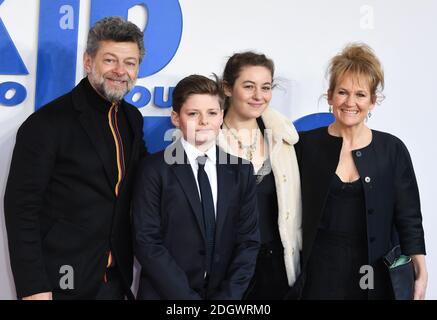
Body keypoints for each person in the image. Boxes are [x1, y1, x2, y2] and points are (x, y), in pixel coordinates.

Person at [4, 16, 148, 300]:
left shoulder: (132, 118)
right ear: (87, 61)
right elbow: (21, 208)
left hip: (114, 280)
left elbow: (145, 181)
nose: (120, 71)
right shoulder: (46, 123)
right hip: (61, 280)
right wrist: (33, 288)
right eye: (110, 60)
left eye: (129, 63)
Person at [296, 43, 427, 300]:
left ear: (373, 100)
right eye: (343, 92)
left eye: (360, 94)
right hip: (319, 274)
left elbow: (409, 217)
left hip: (374, 273)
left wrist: (420, 270)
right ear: (330, 95)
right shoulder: (304, 145)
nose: (350, 103)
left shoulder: (392, 149)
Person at [132, 74, 260, 300]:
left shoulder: (242, 171)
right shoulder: (154, 169)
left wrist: (227, 299)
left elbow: (248, 242)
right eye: (193, 114)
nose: (203, 122)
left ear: (221, 116)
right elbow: (147, 241)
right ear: (175, 117)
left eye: (211, 113)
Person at [217, 52, 302, 300]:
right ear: (228, 88)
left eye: (265, 87)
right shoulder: (208, 140)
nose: (258, 96)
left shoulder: (283, 139)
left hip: (277, 268)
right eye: (248, 86)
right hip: (227, 270)